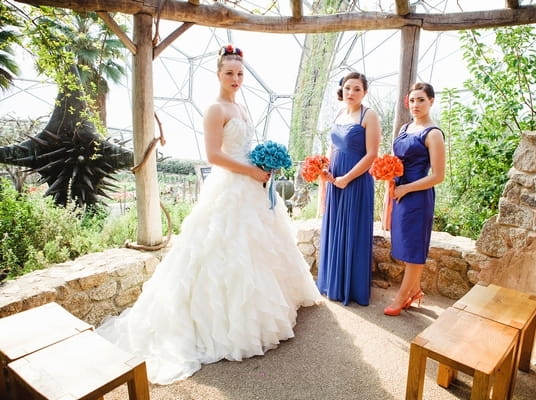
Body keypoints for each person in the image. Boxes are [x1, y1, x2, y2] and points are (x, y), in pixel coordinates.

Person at [97, 44, 321, 385]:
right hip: (230, 187)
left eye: (240, 74)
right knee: (222, 249)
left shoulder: (241, 107)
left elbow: (246, 149)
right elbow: (214, 155)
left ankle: (270, 307)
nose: (235, 79)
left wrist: (263, 166)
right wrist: (250, 171)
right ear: (218, 74)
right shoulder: (215, 110)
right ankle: (228, 325)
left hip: (252, 187)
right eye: (229, 73)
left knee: (258, 248)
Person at [317, 72, 382, 306]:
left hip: (356, 179)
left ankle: (352, 288)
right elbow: (332, 147)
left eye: (356, 89)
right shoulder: (339, 113)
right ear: (341, 90)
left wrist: (347, 177)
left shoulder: (369, 115)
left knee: (352, 230)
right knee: (335, 229)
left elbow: (372, 154)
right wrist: (324, 169)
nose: (351, 93)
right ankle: (332, 283)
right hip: (335, 179)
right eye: (347, 88)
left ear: (364, 92)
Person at [384, 82, 445, 316]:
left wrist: (406, 188)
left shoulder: (434, 134)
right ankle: (416, 290)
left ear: (431, 101)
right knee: (405, 245)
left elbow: (438, 176)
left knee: (414, 249)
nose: (416, 104)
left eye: (421, 100)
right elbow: (396, 160)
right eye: (412, 100)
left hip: (418, 196)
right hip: (400, 192)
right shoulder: (404, 128)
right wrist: (388, 174)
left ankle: (402, 296)